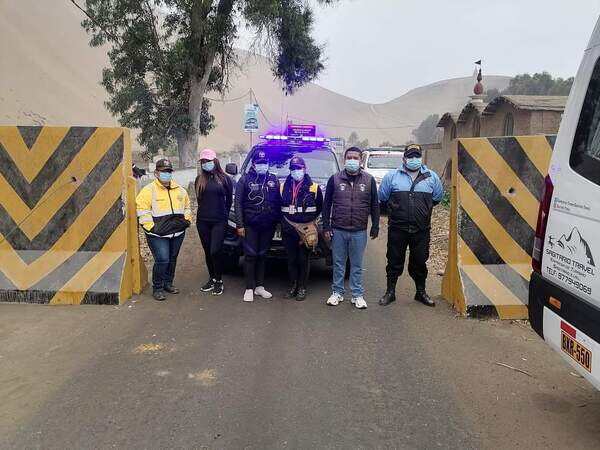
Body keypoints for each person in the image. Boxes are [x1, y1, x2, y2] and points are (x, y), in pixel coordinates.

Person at [377, 144, 444, 307]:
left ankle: (420, 292)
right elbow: (383, 198)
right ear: (404, 158)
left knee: (420, 261)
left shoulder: (431, 177)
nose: (414, 159)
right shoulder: (391, 177)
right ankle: (390, 292)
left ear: (421, 158)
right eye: (410, 156)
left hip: (421, 230)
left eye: (417, 156)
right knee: (393, 260)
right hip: (397, 229)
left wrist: (421, 212)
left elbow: (437, 198)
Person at [322, 147, 380, 309]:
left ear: (361, 161)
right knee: (339, 263)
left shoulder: (369, 180)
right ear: (344, 160)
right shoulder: (334, 179)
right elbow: (326, 205)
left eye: (355, 158)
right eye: (349, 158)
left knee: (356, 265)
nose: (352, 160)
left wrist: (375, 225)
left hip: (359, 230)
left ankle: (357, 295)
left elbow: (375, 204)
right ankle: (337, 293)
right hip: (338, 229)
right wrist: (326, 226)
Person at [136, 158, 192, 301]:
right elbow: (142, 211)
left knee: (172, 259)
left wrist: (186, 221)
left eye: (169, 171)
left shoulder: (180, 190)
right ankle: (158, 287)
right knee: (162, 259)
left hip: (177, 232)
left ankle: (168, 283)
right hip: (157, 235)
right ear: (156, 173)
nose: (167, 174)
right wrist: (152, 228)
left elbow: (187, 207)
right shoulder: (148, 191)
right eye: (163, 171)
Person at [235, 150, 282, 302]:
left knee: (262, 255)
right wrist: (240, 225)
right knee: (250, 256)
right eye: (259, 163)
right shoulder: (245, 180)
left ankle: (260, 287)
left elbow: (277, 202)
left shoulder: (273, 179)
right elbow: (238, 204)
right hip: (250, 225)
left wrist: (276, 221)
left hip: (268, 225)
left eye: (265, 163)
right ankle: (249, 288)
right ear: (254, 164)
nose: (262, 165)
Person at [280, 156, 324, 301]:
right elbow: (278, 207)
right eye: (293, 168)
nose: (296, 171)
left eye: (298, 168)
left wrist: (309, 223)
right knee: (291, 260)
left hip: (306, 230)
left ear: (305, 169)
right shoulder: (283, 187)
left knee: (303, 259)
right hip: (288, 230)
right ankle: (293, 286)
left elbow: (319, 208)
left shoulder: (315, 188)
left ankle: (302, 287)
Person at [195, 148, 233, 296]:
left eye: (208, 161)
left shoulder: (225, 179)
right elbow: (200, 200)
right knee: (207, 251)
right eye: (203, 162)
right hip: (203, 221)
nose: (206, 164)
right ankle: (212, 278)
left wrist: (222, 214)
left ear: (215, 161)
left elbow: (229, 200)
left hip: (219, 221)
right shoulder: (199, 179)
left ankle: (219, 280)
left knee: (215, 250)